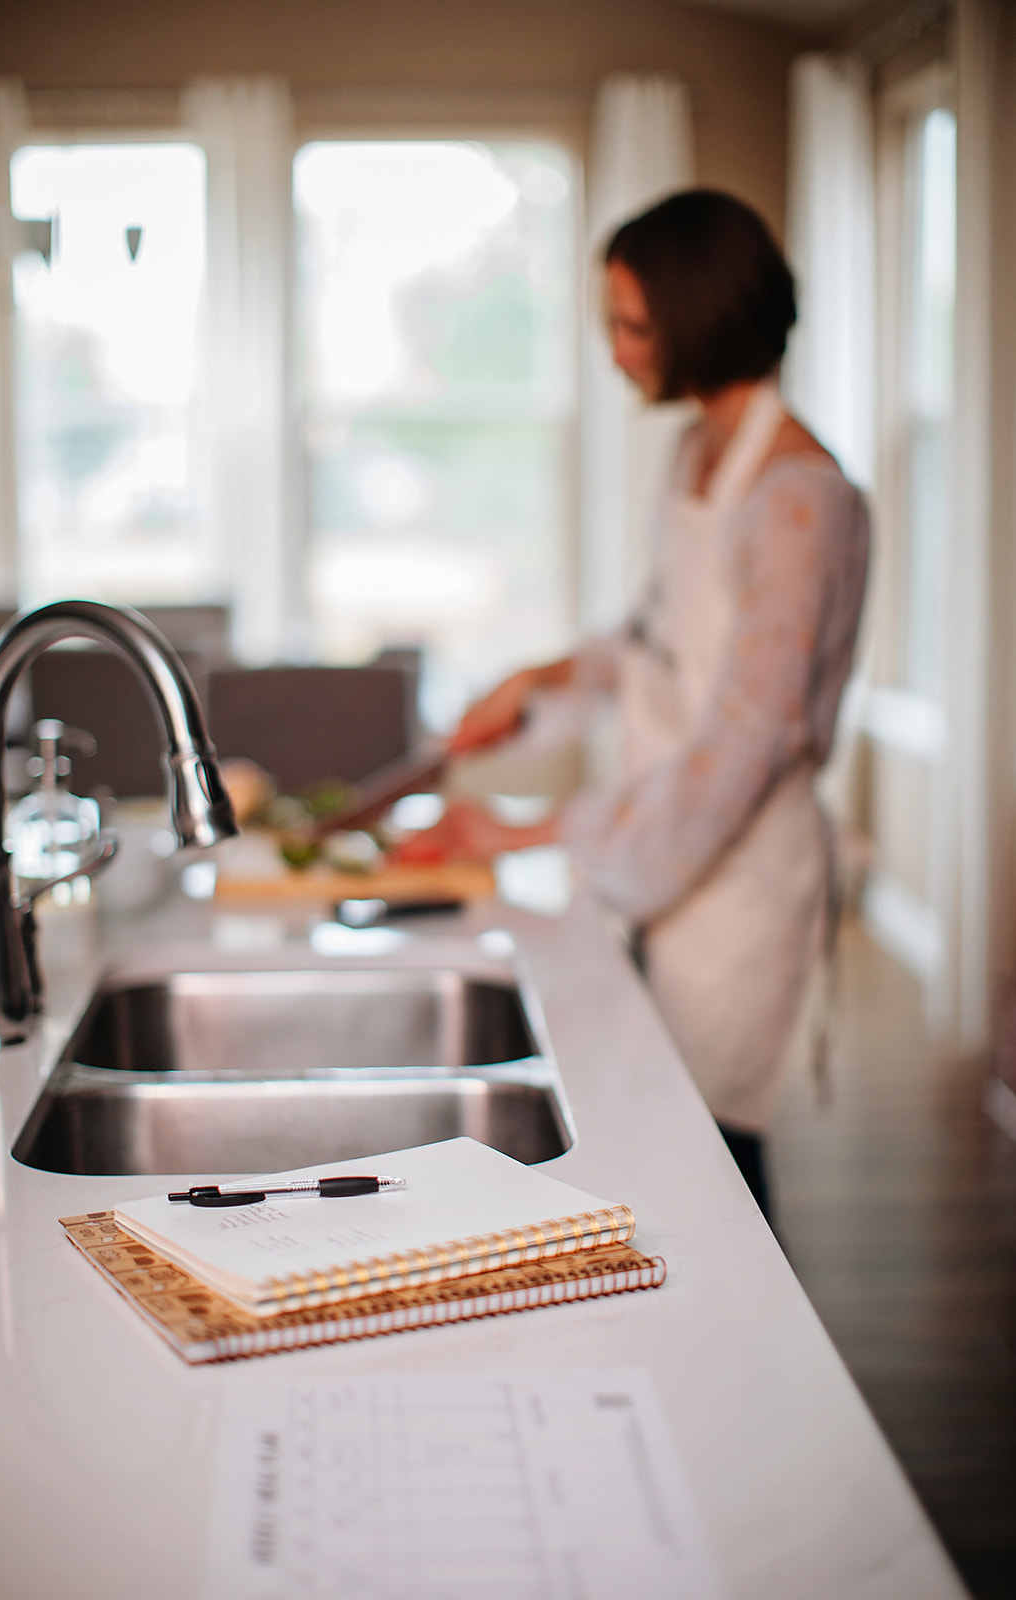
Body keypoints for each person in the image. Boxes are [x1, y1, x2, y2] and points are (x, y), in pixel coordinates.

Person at [397, 189, 870, 1221]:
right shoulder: (698, 452)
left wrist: (523, 830)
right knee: (671, 1145)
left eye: (632, 326)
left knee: (716, 1161)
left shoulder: (799, 500)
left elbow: (738, 750)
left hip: (736, 880)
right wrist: (533, 685)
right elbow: (657, 644)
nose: (614, 352)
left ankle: (755, 1377)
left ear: (698, 321)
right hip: (669, 856)